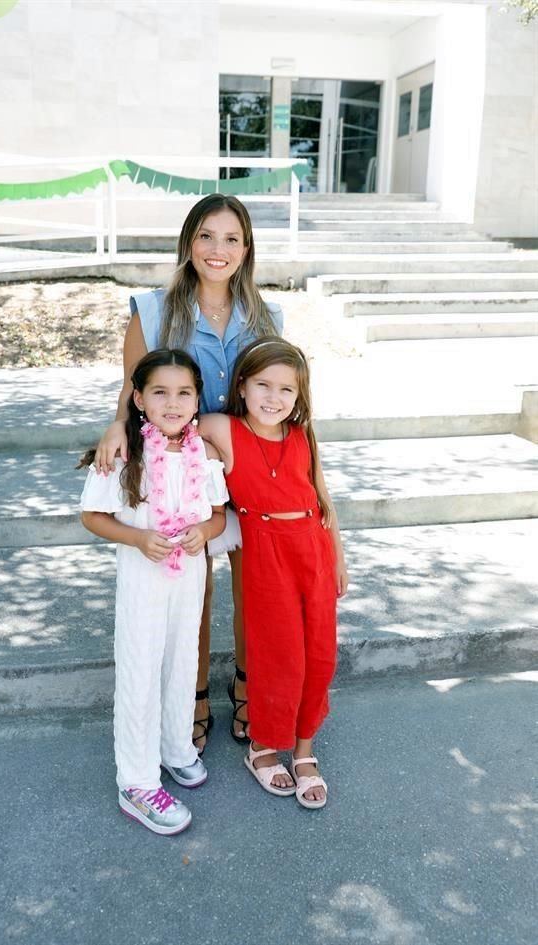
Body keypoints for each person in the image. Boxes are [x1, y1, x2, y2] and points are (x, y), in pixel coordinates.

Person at [94, 194, 284, 753]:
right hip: (182, 471)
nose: (217, 249)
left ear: (246, 248)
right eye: (206, 236)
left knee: (256, 588)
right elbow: (132, 389)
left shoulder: (269, 317)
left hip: (252, 467)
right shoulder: (152, 311)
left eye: (231, 238)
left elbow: (281, 395)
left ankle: (248, 687)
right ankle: (192, 696)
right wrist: (114, 426)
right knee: (190, 584)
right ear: (188, 242)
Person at [79, 349, 227, 835]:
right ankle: (137, 782)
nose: (173, 402)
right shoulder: (124, 454)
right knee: (141, 670)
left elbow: (220, 514)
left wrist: (205, 531)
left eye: (184, 392)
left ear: (197, 398)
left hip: (188, 580)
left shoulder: (202, 455)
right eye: (159, 392)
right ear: (138, 399)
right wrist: (139, 538)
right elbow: (92, 516)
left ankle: (175, 748)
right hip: (143, 582)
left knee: (182, 662)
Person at [198, 337, 349, 809]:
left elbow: (323, 499)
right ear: (241, 385)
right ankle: (263, 747)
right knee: (278, 655)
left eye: (287, 389)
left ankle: (304, 750)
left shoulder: (301, 435)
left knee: (319, 656)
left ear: (299, 396)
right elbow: (168, 424)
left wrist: (338, 557)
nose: (274, 397)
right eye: (263, 384)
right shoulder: (222, 428)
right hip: (266, 554)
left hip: (313, 550)